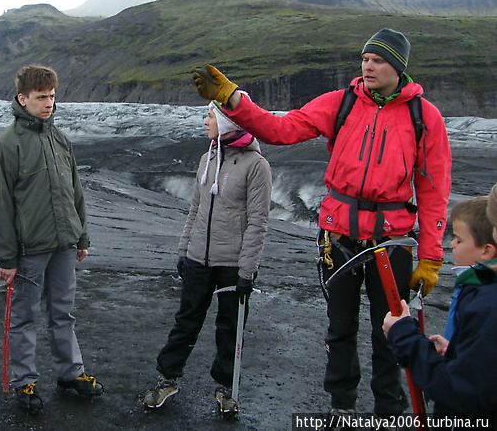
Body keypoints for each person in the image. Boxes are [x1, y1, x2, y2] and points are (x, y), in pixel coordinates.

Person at [191, 29, 452, 420]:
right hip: (339, 238)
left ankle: (389, 411)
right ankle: (341, 406)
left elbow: (433, 190)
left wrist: (430, 256)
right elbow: (281, 129)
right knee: (340, 328)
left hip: (392, 241)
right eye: (365, 58)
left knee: (392, 334)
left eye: (378, 60)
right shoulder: (341, 103)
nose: (368, 65)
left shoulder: (423, 117)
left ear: (398, 67)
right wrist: (233, 99)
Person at [142, 100, 271, 416]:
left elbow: (258, 221)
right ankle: (168, 378)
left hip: (232, 263)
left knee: (230, 327)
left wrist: (247, 270)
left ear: (228, 123)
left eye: (210, 116)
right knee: (186, 320)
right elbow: (196, 210)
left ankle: (227, 387)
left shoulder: (257, 166)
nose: (205, 122)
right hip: (199, 257)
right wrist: (184, 251)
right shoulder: (207, 158)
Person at [0, 65, 103, 413]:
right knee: (24, 316)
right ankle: (25, 382)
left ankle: (71, 373)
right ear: (23, 99)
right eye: (41, 97)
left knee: (63, 313)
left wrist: (81, 236)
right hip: (28, 250)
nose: (49, 103)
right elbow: (0, 202)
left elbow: (75, 192)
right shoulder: (8, 144)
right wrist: (7, 258)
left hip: (64, 245)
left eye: (52, 96)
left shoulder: (60, 140)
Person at [383, 194, 497, 418]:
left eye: (459, 240)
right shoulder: (481, 288)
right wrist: (459, 351)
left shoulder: (488, 304)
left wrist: (404, 337)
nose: (452, 244)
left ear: (487, 250)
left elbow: (461, 391)